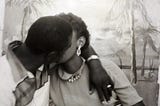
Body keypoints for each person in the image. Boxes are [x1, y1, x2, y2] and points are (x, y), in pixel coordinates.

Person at [0, 14, 114, 106]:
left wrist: (95, 64)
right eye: (68, 46)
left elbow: (81, 46)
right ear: (53, 56)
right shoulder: (4, 87)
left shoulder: (39, 54)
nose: (73, 48)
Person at [41, 13, 144, 106]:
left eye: (63, 38)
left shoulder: (107, 68)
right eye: (54, 37)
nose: (56, 43)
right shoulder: (48, 76)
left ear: (80, 42)